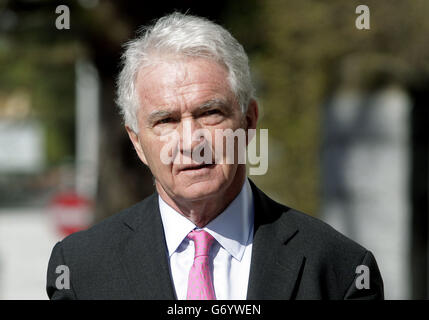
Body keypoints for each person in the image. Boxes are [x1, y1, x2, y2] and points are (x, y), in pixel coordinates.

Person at [46, 12, 384, 300]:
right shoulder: (80, 269)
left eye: (210, 113)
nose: (192, 141)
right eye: (166, 120)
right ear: (137, 141)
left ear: (249, 121)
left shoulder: (341, 269)